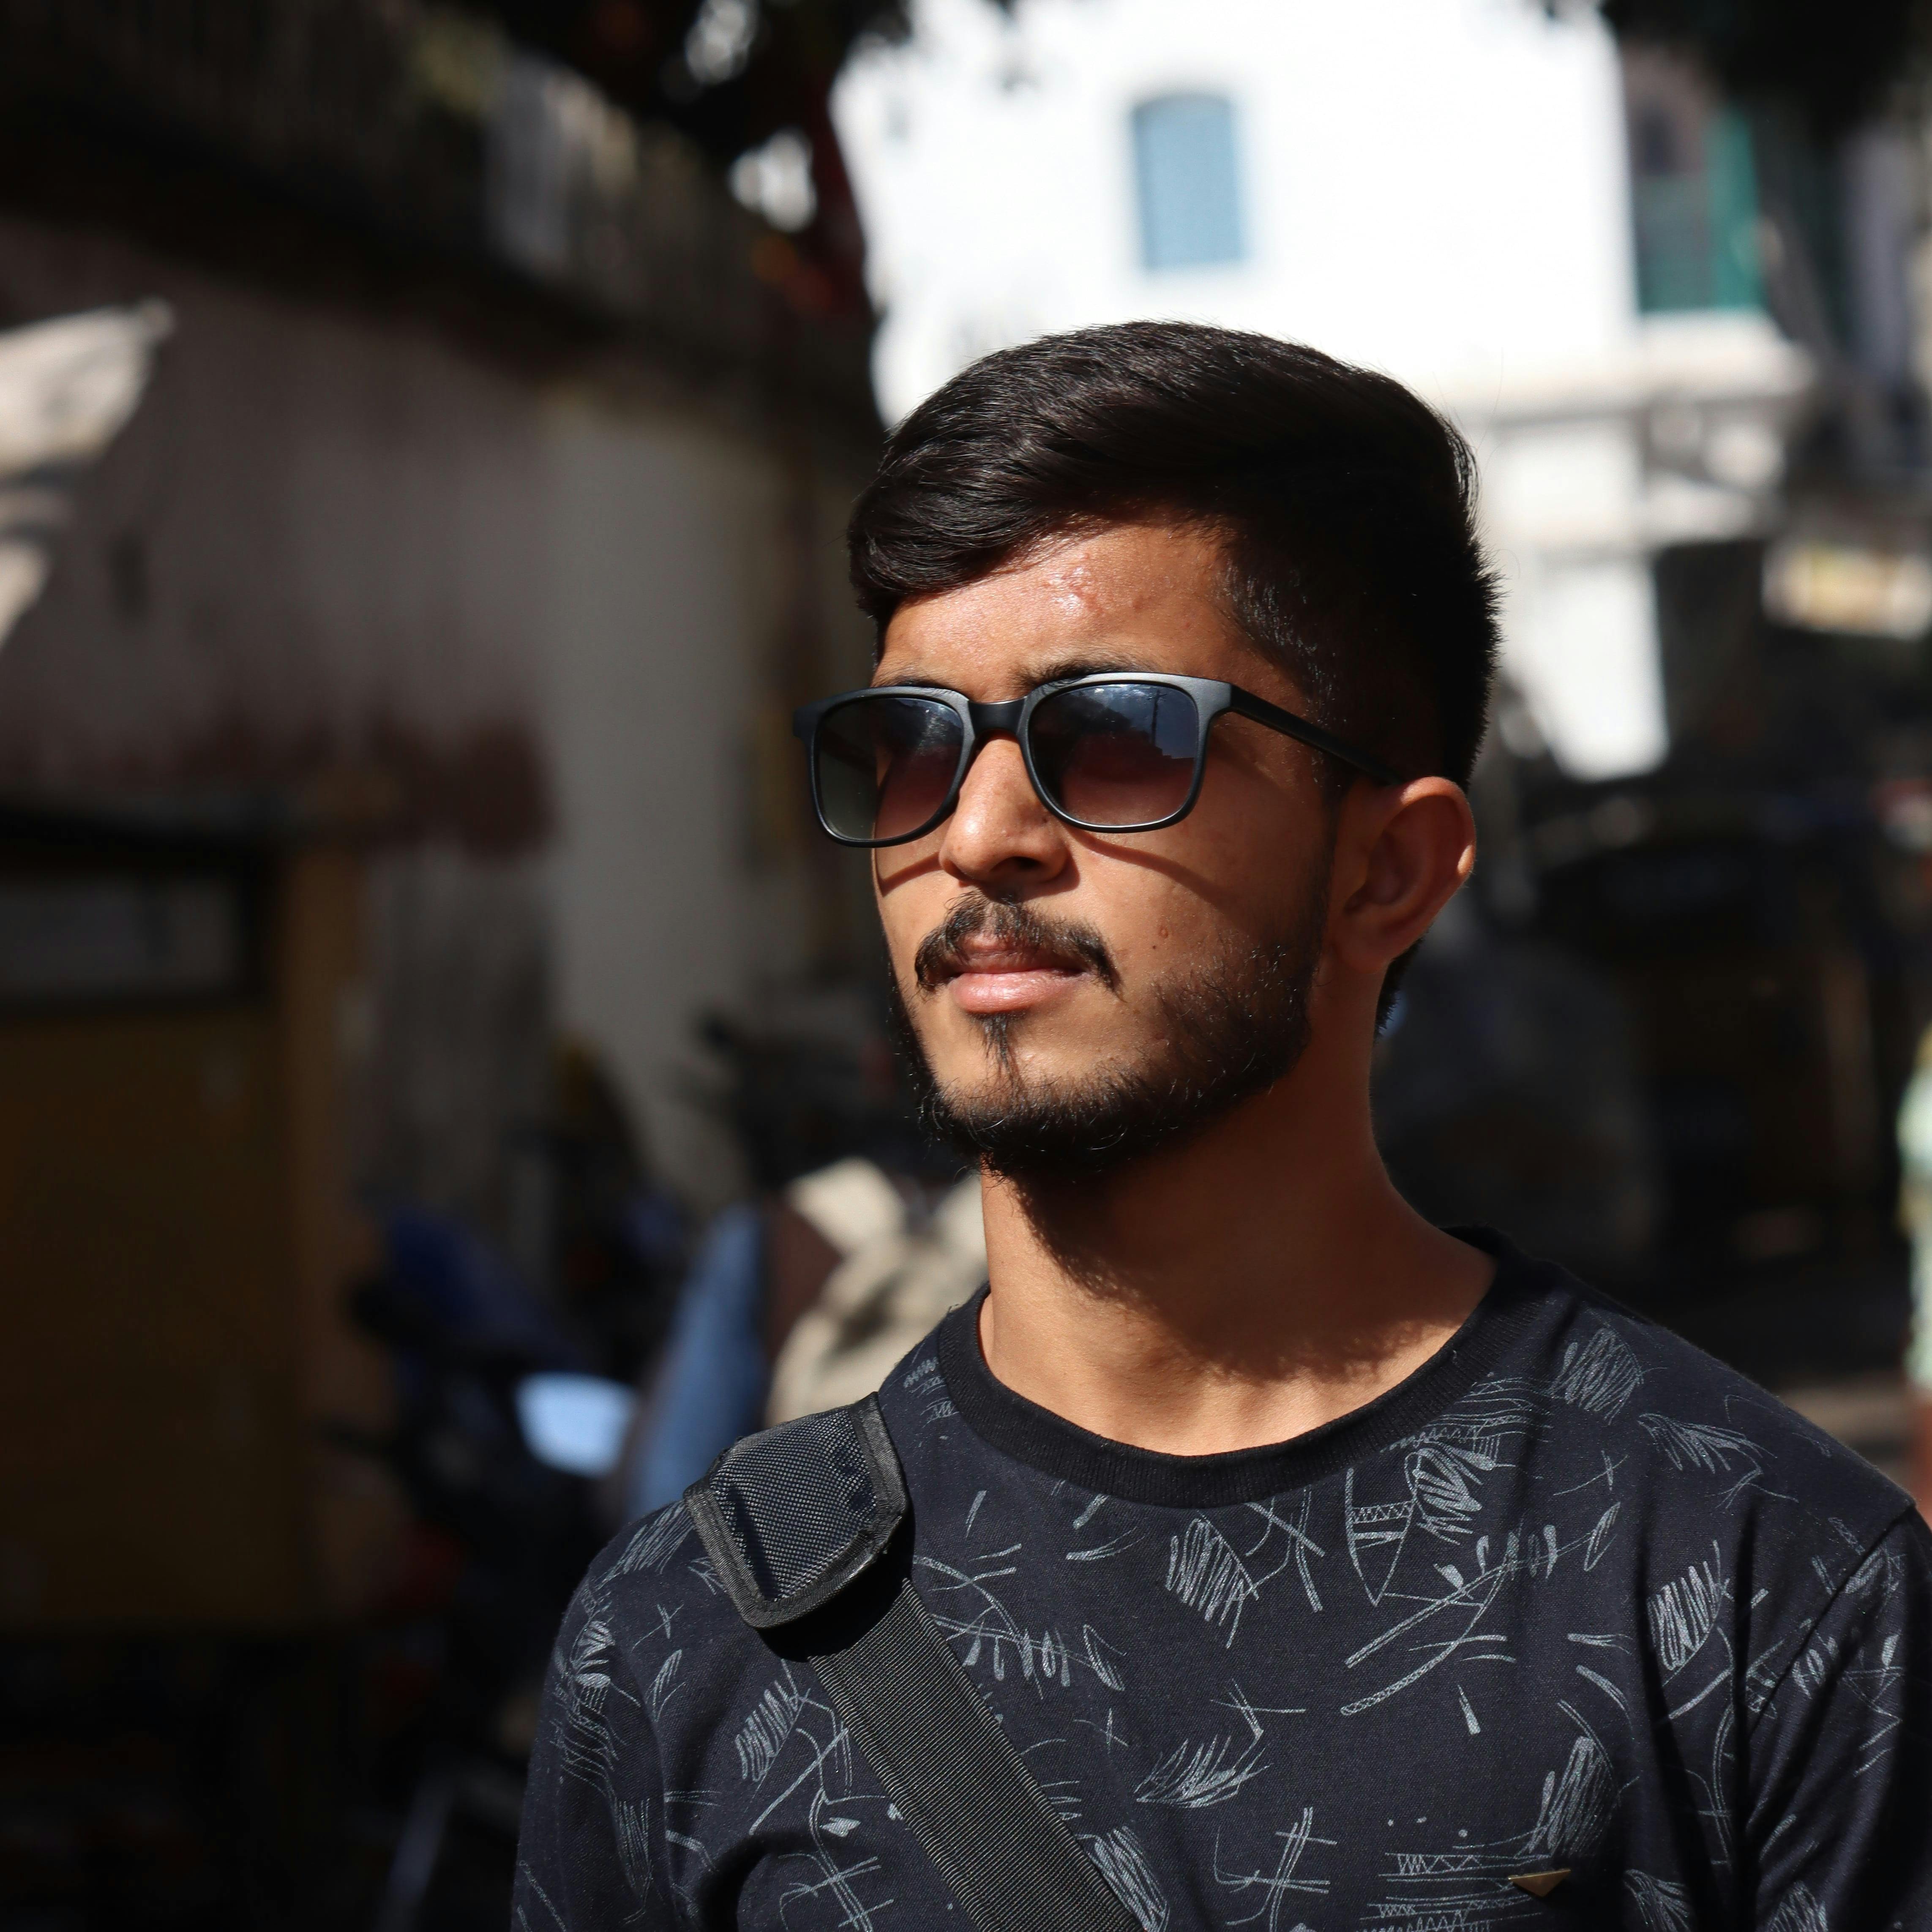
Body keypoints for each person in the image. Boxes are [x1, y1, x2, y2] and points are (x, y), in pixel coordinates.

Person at [514, 324, 1932, 1930]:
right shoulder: (691, 1641)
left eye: (1111, 735)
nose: (976, 834)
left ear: (1385, 870)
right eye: (906, 750)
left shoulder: (1755, 1587)